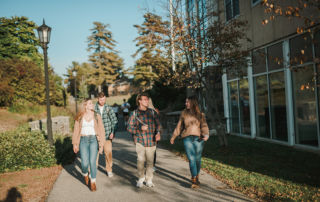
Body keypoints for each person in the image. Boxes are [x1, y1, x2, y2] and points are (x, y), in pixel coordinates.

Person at [170, 95, 209, 189]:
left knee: (198, 159)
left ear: (193, 103)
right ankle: (194, 179)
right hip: (187, 138)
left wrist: (206, 135)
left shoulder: (200, 114)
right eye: (185, 102)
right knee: (191, 159)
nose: (186, 103)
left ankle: (197, 176)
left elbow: (204, 126)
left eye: (187, 102)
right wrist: (173, 137)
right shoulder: (184, 113)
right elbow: (179, 126)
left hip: (198, 138)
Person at [127, 93, 161, 188]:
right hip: (140, 141)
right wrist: (139, 129)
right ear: (139, 101)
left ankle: (149, 179)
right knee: (140, 161)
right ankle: (141, 177)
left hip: (152, 141)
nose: (147, 101)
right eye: (145, 99)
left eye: (147, 99)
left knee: (150, 162)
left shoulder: (153, 112)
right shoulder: (134, 113)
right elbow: (129, 128)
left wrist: (158, 132)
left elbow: (158, 125)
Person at [72, 98, 105, 192]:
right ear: (85, 105)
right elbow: (76, 131)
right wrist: (75, 144)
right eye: (90, 103)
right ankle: (85, 174)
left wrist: (101, 145)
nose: (92, 104)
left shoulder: (96, 115)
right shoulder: (79, 116)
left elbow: (101, 130)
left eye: (92, 103)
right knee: (84, 163)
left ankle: (93, 182)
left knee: (92, 162)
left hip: (94, 140)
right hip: (83, 140)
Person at [94, 92, 118, 178]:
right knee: (95, 153)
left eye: (104, 99)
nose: (102, 101)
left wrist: (113, 132)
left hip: (107, 135)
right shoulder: (93, 109)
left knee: (108, 152)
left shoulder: (109, 108)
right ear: (98, 99)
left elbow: (114, 121)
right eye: (101, 99)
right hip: (97, 136)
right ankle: (94, 169)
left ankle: (109, 170)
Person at [148, 98, 159, 172]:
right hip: (146, 134)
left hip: (153, 133)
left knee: (153, 150)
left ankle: (152, 165)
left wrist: (158, 132)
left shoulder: (154, 111)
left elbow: (158, 123)